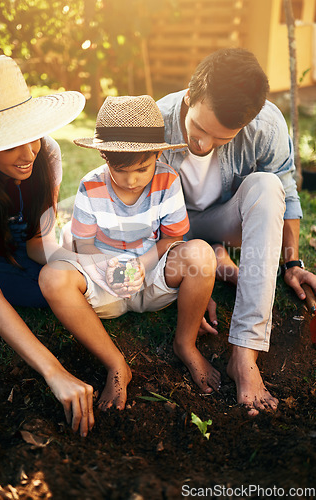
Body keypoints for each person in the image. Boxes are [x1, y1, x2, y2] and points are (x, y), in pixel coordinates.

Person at [156, 47, 316, 416]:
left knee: (267, 185)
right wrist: (195, 277)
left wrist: (293, 262)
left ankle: (245, 355)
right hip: (171, 228)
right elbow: (144, 211)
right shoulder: (156, 121)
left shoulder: (267, 125)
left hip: (226, 220)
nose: (203, 145)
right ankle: (212, 259)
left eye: (221, 139)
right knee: (197, 253)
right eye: (198, 129)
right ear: (190, 94)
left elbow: (286, 195)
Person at [38, 94, 221, 411]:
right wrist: (110, 269)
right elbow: (84, 244)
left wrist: (142, 262)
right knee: (52, 278)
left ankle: (185, 344)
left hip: (151, 278)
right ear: (104, 157)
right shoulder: (91, 186)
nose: (132, 180)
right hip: (106, 284)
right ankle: (116, 364)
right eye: (120, 170)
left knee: (202, 254)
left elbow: (172, 237)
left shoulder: (167, 180)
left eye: (142, 168)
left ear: (156, 155)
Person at [0, 54, 95, 437]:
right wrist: (55, 371)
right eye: (11, 142)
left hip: (16, 246)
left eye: (30, 134)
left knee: (61, 283)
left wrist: (83, 265)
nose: (28, 152)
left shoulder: (45, 154)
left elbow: (37, 244)